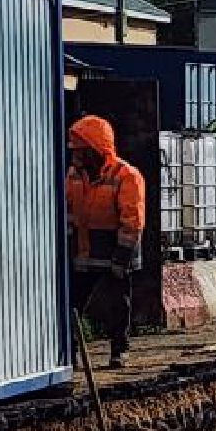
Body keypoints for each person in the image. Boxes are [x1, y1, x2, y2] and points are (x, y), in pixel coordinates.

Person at [64, 115, 145, 368]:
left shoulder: (126, 175)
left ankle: (119, 350)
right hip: (84, 251)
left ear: (95, 150)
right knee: (73, 303)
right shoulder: (72, 175)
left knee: (118, 304)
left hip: (115, 252)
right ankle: (71, 352)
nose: (75, 155)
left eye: (80, 150)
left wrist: (121, 258)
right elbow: (66, 209)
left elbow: (132, 222)